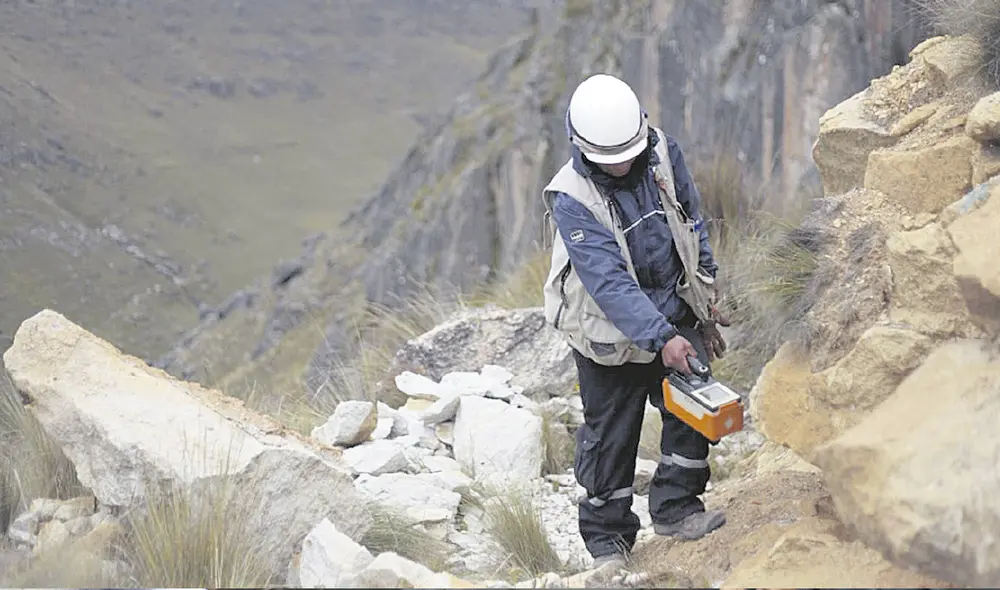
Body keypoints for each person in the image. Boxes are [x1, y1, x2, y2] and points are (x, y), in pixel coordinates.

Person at [540, 73, 731, 567]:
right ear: (582, 147)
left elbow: (691, 221)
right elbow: (610, 286)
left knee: (693, 408)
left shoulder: (663, 152)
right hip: (607, 335)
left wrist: (706, 297)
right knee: (610, 439)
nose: (623, 164)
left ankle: (676, 507)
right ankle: (608, 542)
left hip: (673, 306)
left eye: (629, 152)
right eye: (611, 158)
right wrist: (661, 337)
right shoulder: (571, 198)